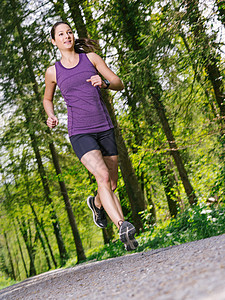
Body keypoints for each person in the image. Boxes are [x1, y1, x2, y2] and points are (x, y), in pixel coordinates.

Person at [43, 21, 138, 251]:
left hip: (103, 127)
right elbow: (47, 98)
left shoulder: (91, 59)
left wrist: (104, 83)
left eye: (69, 32)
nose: (67, 36)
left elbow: (118, 83)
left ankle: (96, 204)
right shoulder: (53, 71)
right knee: (103, 177)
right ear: (54, 41)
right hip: (80, 132)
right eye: (61, 34)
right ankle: (122, 225)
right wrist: (51, 115)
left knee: (112, 183)